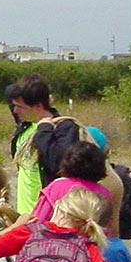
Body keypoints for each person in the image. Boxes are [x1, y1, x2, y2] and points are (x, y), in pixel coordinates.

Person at [7, 75, 83, 213]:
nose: (15, 111)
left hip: (49, 214)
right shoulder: (25, 127)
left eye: (20, 107)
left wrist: (44, 131)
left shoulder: (63, 128)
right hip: (24, 213)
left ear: (38, 106)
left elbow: (58, 163)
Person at [29, 141, 112, 223]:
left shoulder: (56, 187)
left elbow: (37, 221)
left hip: (58, 236)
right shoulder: (105, 194)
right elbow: (107, 229)